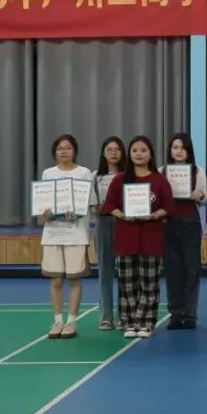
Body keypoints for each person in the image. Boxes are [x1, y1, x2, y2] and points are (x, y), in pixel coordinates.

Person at [100, 135, 175, 339]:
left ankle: (146, 322)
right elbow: (109, 205)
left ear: (151, 154)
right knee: (127, 283)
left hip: (151, 237)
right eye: (134, 150)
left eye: (143, 150)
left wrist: (154, 215)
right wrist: (122, 215)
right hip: (126, 237)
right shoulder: (119, 180)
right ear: (129, 154)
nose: (139, 154)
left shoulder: (159, 180)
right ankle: (129, 322)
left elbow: (168, 207)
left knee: (149, 283)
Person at [40, 134, 94, 339]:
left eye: (68, 148)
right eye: (60, 148)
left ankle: (71, 321)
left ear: (75, 151)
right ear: (55, 152)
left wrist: (77, 211)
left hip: (76, 233)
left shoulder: (84, 173)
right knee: (55, 279)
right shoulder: (48, 174)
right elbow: (42, 204)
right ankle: (57, 321)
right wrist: (44, 214)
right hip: (53, 234)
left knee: (74, 279)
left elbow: (89, 203)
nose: (64, 151)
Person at [161, 133, 207, 330]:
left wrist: (200, 195)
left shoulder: (198, 171)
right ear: (170, 150)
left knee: (191, 270)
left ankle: (189, 315)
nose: (179, 151)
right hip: (168, 224)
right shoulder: (162, 171)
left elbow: (205, 198)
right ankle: (175, 314)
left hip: (190, 223)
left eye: (183, 147)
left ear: (189, 151)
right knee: (172, 271)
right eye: (175, 147)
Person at [92, 136, 125, 331]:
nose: (113, 153)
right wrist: (97, 207)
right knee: (105, 272)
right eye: (109, 149)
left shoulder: (128, 176)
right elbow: (91, 205)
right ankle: (105, 317)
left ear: (122, 153)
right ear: (103, 154)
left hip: (124, 225)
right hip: (103, 224)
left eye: (117, 149)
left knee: (124, 273)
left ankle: (123, 316)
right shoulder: (95, 176)